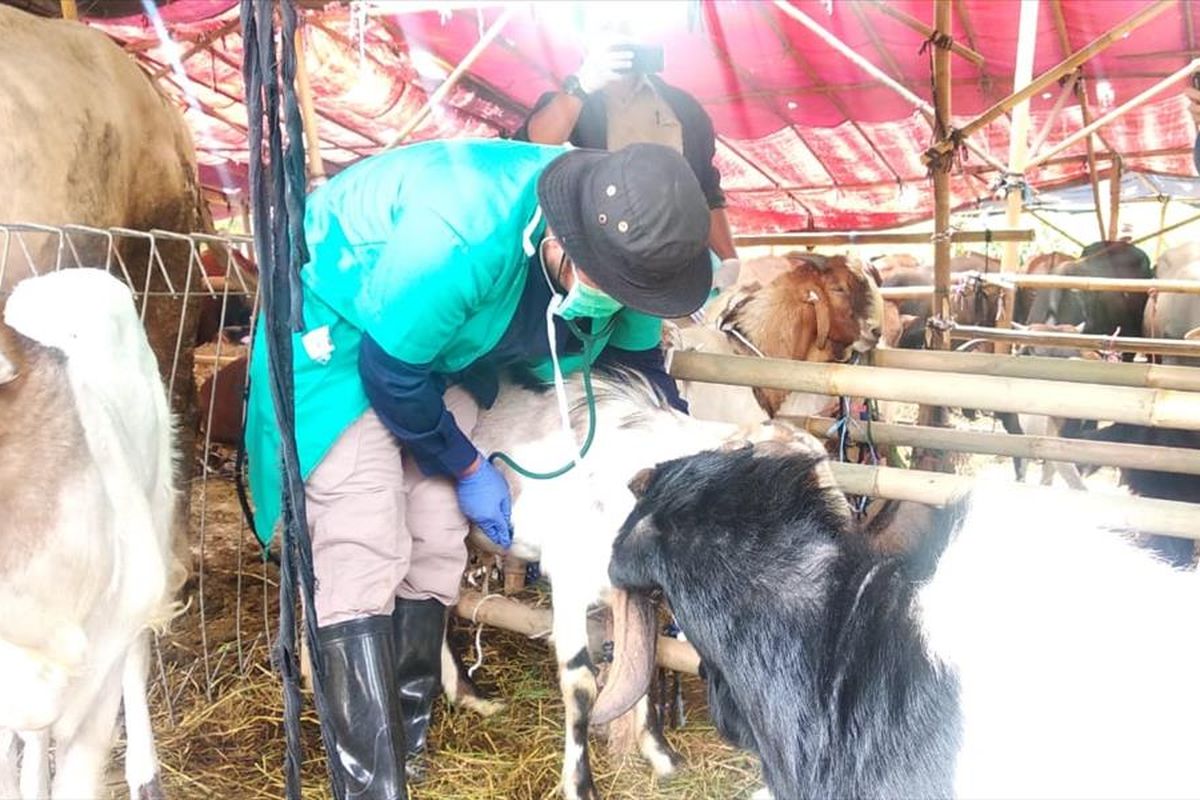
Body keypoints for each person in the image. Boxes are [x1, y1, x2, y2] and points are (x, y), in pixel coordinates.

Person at [243, 139, 712, 800]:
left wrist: (680, 442)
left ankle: (405, 746)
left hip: (443, 351)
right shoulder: (464, 229)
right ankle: (371, 787)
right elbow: (391, 373)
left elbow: (638, 370)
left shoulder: (632, 258)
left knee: (435, 537)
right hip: (342, 325)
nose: (621, 302)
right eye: (612, 288)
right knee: (365, 535)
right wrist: (467, 466)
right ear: (565, 245)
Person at [514, 38, 741, 292]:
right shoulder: (570, 103)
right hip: (590, 262)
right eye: (608, 30)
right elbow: (529, 150)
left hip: (666, 263)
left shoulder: (683, 108)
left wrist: (729, 258)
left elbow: (705, 188)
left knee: (662, 330)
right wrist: (581, 87)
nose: (619, 37)